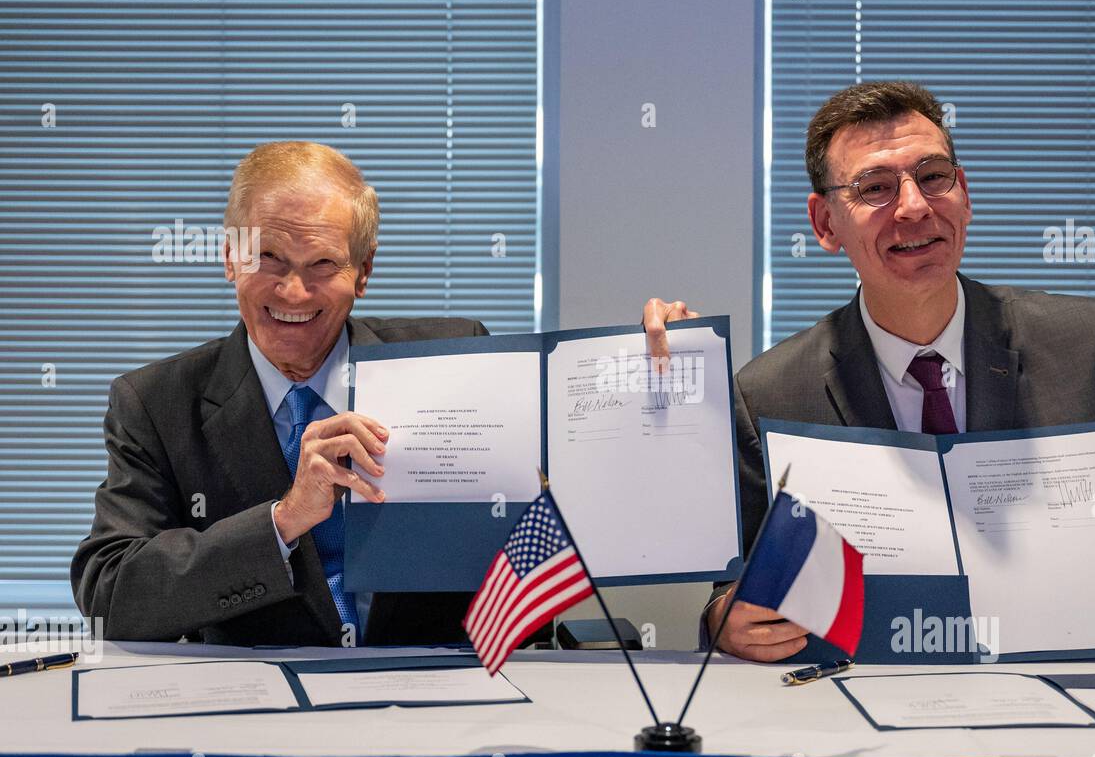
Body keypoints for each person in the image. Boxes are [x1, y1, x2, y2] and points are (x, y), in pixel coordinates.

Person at [645, 80, 1095, 662]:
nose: (913, 207)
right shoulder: (769, 397)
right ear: (824, 223)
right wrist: (725, 618)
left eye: (933, 176)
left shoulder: (1086, 347)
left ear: (965, 192)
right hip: (868, 736)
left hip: (1083, 721)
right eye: (875, 186)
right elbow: (734, 595)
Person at [73, 140, 692, 647]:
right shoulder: (156, 403)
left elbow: (575, 477)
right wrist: (284, 522)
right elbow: (111, 593)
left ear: (363, 272)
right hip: (254, 721)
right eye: (268, 257)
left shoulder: (459, 359)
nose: (293, 292)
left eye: (322, 264)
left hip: (442, 713)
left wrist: (659, 372)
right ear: (228, 258)